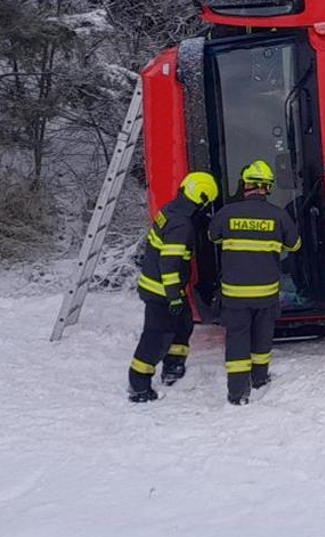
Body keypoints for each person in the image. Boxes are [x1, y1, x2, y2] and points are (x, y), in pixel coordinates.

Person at [208, 159, 300, 405]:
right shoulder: (278, 216)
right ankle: (259, 378)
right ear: (268, 187)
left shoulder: (227, 213)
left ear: (245, 184)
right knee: (262, 336)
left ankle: (237, 393)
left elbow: (212, 236)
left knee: (237, 338)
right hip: (266, 294)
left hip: (234, 295)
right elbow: (295, 245)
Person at [128, 171, 218, 403]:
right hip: (162, 291)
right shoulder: (181, 225)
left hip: (161, 287)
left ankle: (173, 367)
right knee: (156, 336)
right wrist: (173, 297)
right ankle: (139, 384)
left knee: (183, 325)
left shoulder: (172, 211)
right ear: (201, 198)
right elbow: (169, 263)